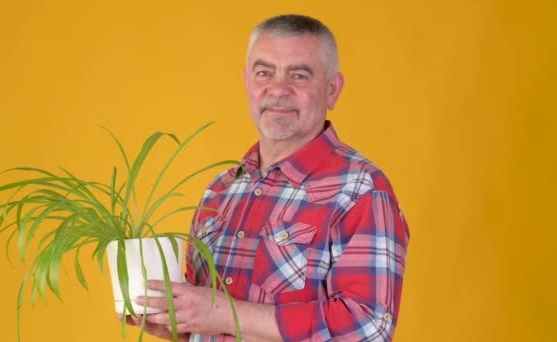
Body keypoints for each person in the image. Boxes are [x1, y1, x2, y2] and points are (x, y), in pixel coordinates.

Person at [123, 14, 410, 341]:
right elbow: (208, 322)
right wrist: (179, 324)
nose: (278, 89)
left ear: (332, 90)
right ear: (247, 81)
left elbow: (368, 327)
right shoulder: (221, 190)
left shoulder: (362, 190)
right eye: (264, 73)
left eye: (299, 75)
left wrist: (221, 313)